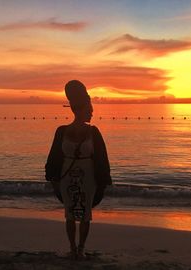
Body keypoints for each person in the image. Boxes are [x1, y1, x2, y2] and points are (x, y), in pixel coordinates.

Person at [45, 80, 112, 259]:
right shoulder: (61, 131)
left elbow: (102, 159)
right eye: (89, 110)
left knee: (85, 215)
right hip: (68, 178)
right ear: (80, 110)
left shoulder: (94, 132)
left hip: (89, 178)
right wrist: (53, 180)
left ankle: (81, 248)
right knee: (69, 214)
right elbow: (53, 157)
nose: (92, 113)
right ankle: (72, 248)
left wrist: (103, 181)